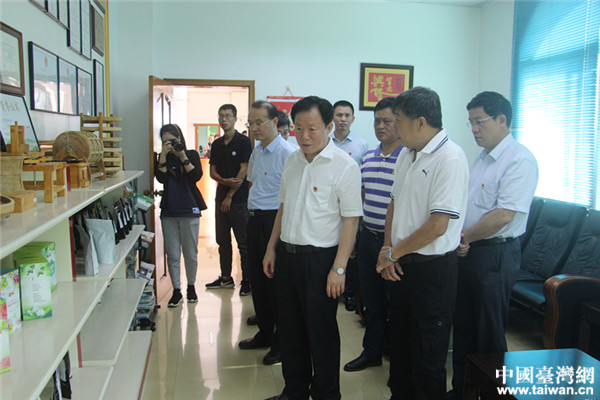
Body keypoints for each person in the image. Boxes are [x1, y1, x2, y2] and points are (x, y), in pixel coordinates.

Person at [263, 96, 362, 400]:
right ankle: (294, 391)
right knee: (290, 331)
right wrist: (271, 248)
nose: (304, 136)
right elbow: (282, 208)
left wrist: (339, 268)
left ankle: (327, 394)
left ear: (329, 127)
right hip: (288, 257)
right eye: (298, 128)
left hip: (321, 262)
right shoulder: (292, 161)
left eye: (312, 129)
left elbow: (351, 221)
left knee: (321, 335)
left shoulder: (344, 166)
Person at [376, 87, 469, 400]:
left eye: (398, 120)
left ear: (420, 121)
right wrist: (387, 248)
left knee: (427, 355)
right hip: (402, 265)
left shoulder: (450, 158)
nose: (394, 128)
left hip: (433, 272)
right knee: (400, 347)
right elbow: (394, 202)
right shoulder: (407, 153)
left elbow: (437, 226)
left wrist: (392, 253)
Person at [448, 92, 538, 400]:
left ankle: (494, 395)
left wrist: (465, 238)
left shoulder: (519, 160)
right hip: (469, 251)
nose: (474, 129)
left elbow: (503, 215)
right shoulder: (482, 158)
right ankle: (462, 390)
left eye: (480, 121)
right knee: (463, 326)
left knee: (488, 332)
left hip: (496, 255)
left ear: (502, 120)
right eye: (470, 122)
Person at [344, 97, 403, 372]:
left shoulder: (408, 157)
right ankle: (372, 351)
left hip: (395, 243)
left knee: (396, 301)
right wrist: (357, 236)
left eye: (387, 121)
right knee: (371, 299)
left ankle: (397, 354)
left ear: (399, 122)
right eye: (377, 121)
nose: (380, 126)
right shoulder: (367, 156)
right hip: (368, 236)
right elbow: (363, 196)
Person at [238, 101, 296, 366]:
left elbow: (290, 198)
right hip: (254, 219)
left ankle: (281, 343)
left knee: (275, 285)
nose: (254, 128)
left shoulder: (288, 153)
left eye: (258, 123)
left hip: (274, 221)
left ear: (274, 122)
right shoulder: (257, 151)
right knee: (258, 282)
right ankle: (264, 332)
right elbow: (252, 184)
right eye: (250, 123)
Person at [155, 124, 207, 307]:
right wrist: (163, 155)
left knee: (191, 253)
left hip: (189, 209)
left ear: (179, 138)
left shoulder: (190, 154)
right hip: (169, 211)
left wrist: (182, 155)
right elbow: (161, 178)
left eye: (172, 140)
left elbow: (196, 176)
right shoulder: (162, 158)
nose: (169, 145)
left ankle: (191, 287)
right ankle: (176, 290)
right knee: (173, 253)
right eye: (165, 142)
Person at [206, 104, 253, 295]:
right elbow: (212, 172)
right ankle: (225, 278)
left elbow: (244, 170)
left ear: (235, 118)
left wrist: (230, 195)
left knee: (243, 243)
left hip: (239, 200)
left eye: (227, 116)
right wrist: (224, 181)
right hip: (220, 200)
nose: (223, 119)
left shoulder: (243, 142)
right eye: (221, 116)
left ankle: (247, 281)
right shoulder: (217, 144)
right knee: (222, 241)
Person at [330, 100, 369, 311]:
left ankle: (350, 293)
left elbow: (364, 181)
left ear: (353, 119)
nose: (343, 119)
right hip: (330, 205)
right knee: (331, 244)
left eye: (347, 115)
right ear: (332, 118)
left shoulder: (362, 146)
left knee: (351, 247)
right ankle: (332, 288)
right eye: (339, 115)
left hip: (352, 203)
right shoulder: (325, 143)